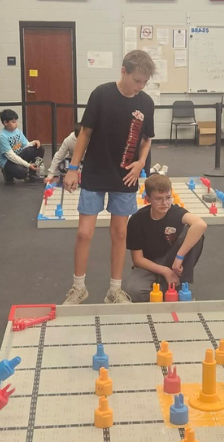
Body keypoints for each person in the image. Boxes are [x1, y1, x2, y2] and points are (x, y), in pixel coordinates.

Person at [62, 50, 156, 305]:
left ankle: (114, 290)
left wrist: (139, 164)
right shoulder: (101, 94)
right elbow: (85, 133)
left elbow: (147, 139)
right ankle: (78, 287)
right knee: (84, 233)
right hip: (95, 171)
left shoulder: (146, 102)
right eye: (137, 80)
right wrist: (73, 168)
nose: (140, 86)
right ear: (123, 71)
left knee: (120, 234)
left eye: (145, 82)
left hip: (125, 177)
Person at [123, 174, 206, 302]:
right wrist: (165, 272)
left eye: (168, 198)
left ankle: (180, 283)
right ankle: (167, 285)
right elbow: (137, 259)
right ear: (148, 199)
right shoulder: (137, 220)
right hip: (149, 264)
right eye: (159, 199)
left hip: (173, 260)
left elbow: (200, 225)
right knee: (133, 291)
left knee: (194, 233)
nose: (165, 203)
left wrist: (179, 258)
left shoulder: (176, 212)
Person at [0, 109, 45, 184]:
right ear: (5, 123)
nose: (16, 124)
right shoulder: (2, 136)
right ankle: (7, 172)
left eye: (16, 121)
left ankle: (32, 174)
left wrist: (34, 142)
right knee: (22, 173)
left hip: (18, 154)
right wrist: (28, 165)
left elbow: (26, 145)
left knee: (39, 148)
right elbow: (11, 156)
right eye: (13, 122)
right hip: (7, 161)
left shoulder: (17, 131)